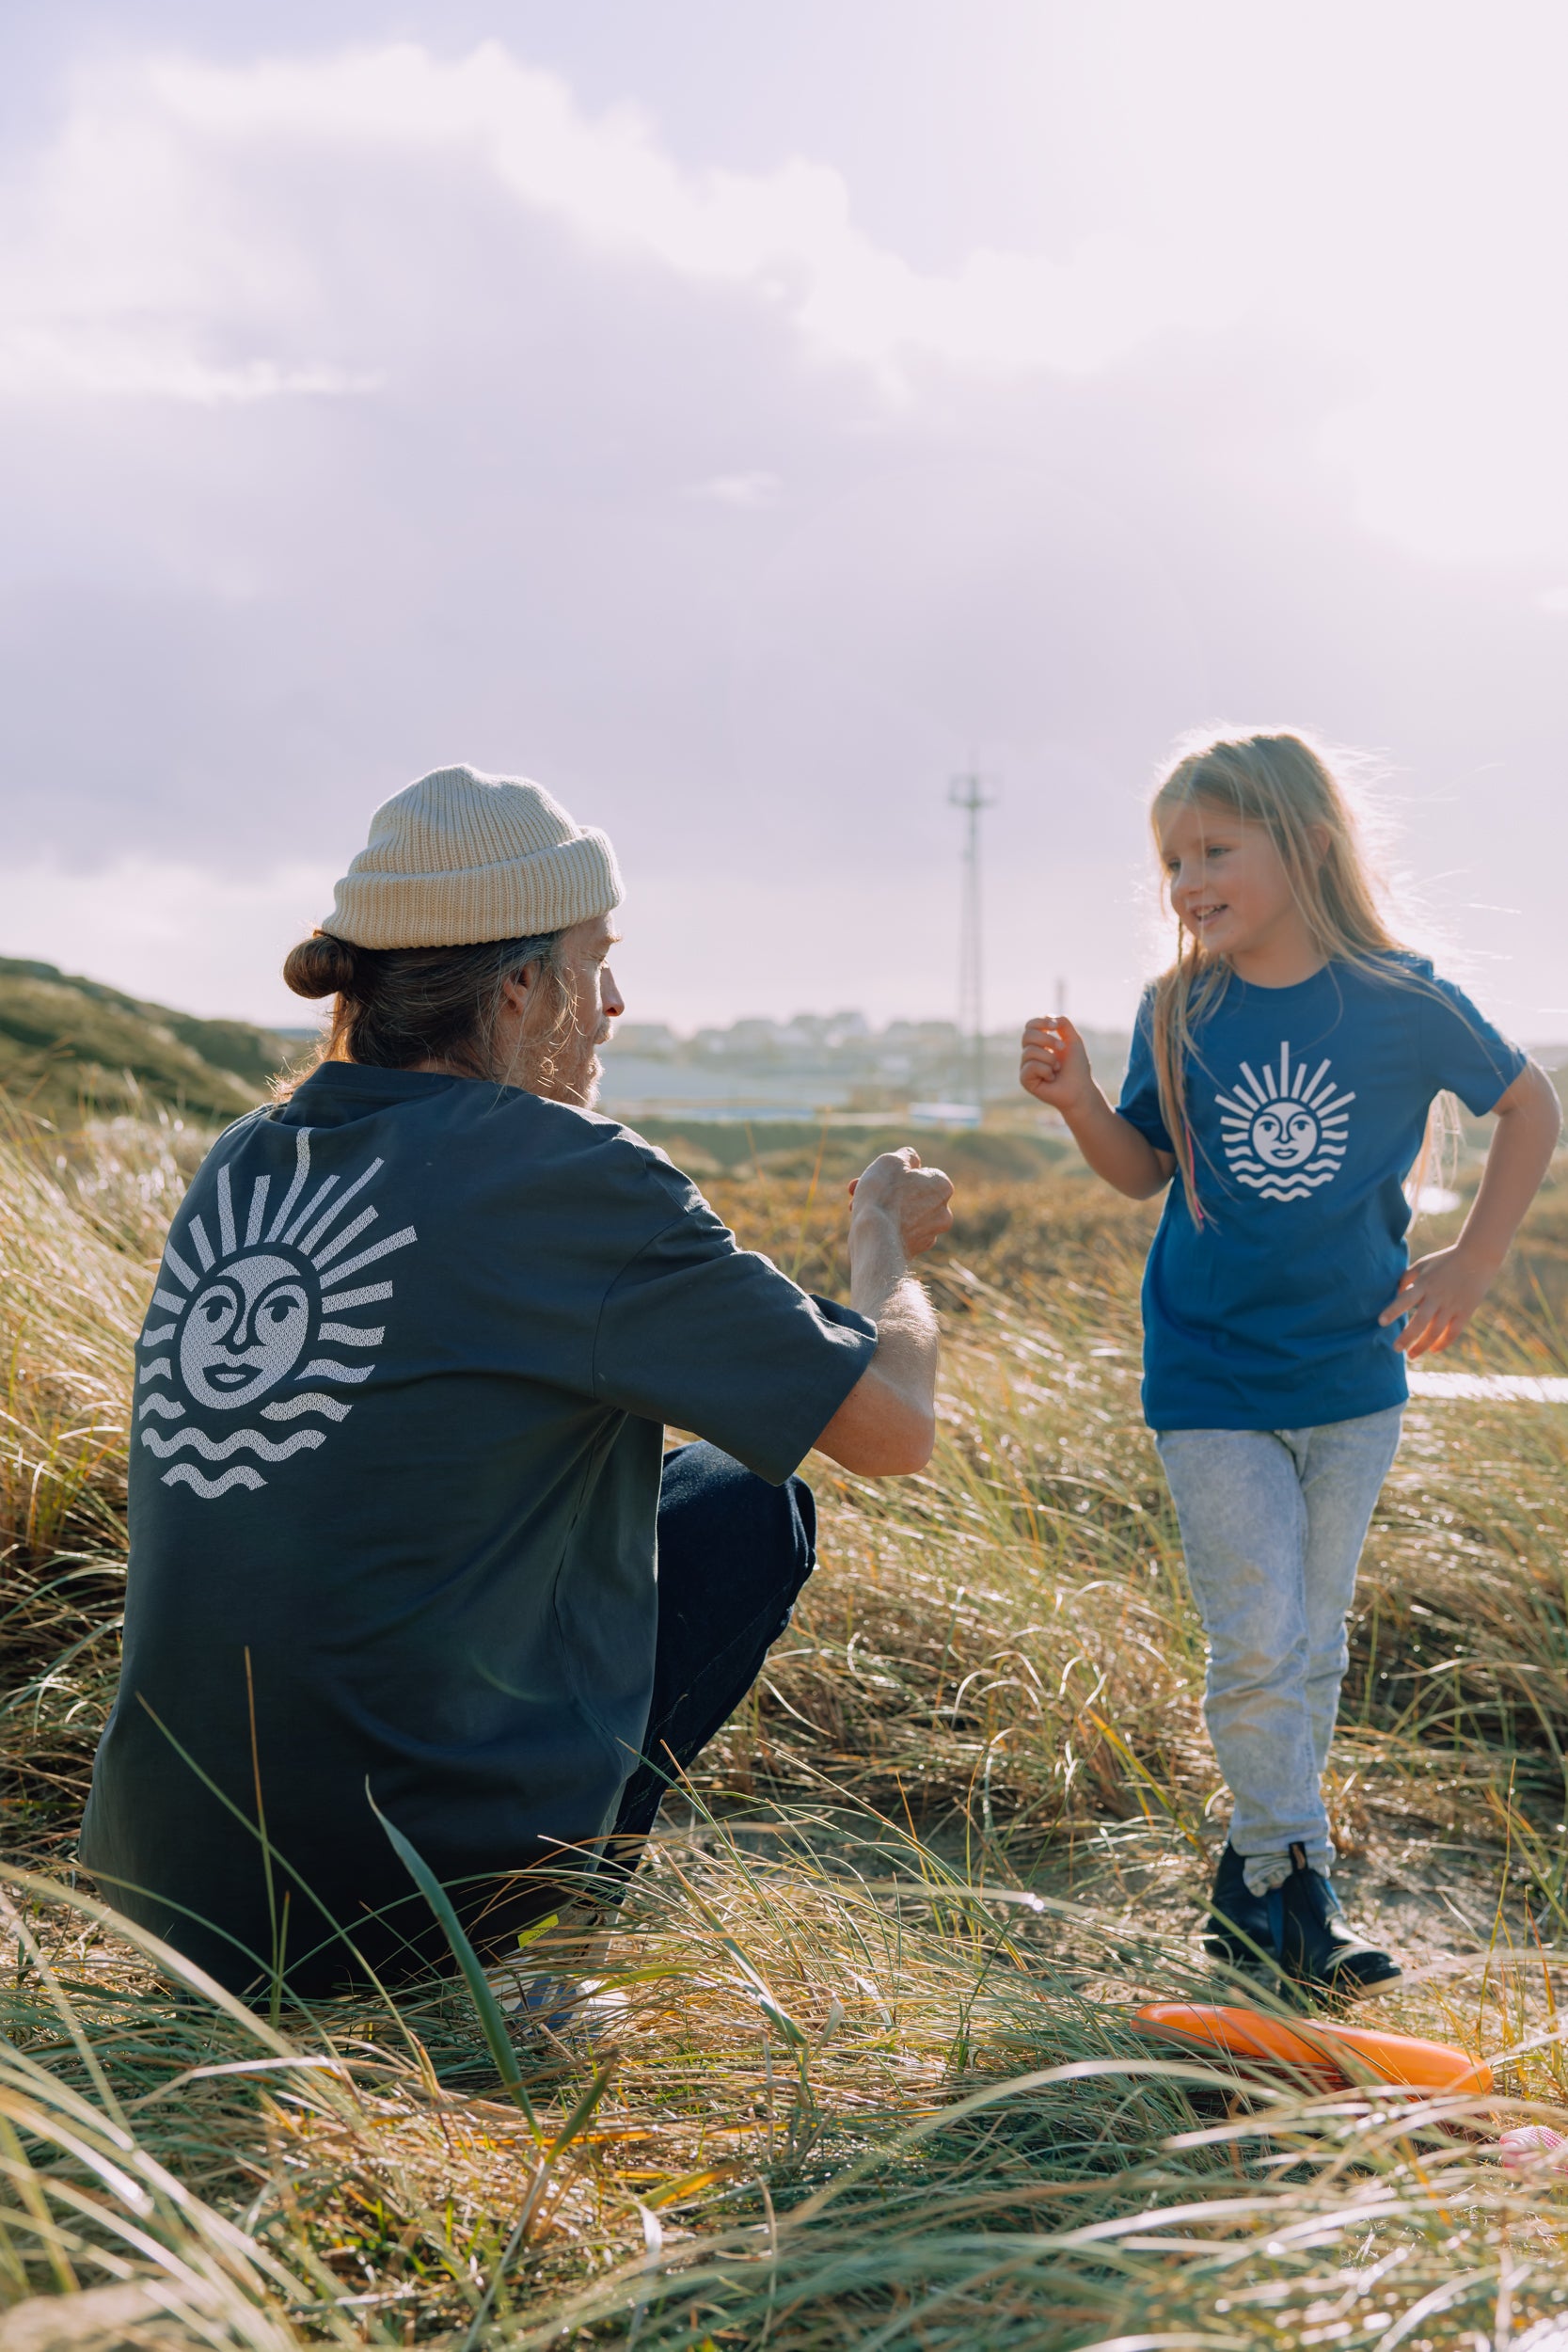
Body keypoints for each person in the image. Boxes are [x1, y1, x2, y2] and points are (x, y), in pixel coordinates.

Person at [81, 765, 953, 2000]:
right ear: (520, 986)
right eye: (597, 962)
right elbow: (894, 1428)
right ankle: (529, 1966)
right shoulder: (566, 1174)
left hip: (166, 1897)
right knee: (747, 1506)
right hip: (397, 1912)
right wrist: (882, 1246)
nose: (617, 1003)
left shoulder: (242, 1161)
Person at [1020, 729, 1560, 1996]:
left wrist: (1473, 1261)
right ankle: (1293, 1876)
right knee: (1258, 1634)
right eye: (1172, 860)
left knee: (1310, 1643)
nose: (1187, 881)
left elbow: (1529, 1104)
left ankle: (1252, 1887)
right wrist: (1082, 1104)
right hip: (1208, 1376)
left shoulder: (1404, 999)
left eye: (1215, 849)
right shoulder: (1178, 1009)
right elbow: (1145, 1169)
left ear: (1308, 845)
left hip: (1353, 1380)